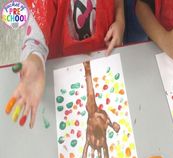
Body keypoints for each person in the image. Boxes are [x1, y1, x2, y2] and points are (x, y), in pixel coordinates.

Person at [5, 0, 125, 128]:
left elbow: (118, 3)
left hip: (103, 63)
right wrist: (35, 59)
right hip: (62, 76)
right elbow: (35, 37)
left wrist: (120, 21)